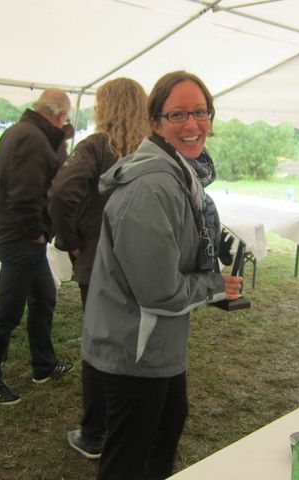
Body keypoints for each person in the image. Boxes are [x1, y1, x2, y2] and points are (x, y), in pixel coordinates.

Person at [81, 71, 243, 480]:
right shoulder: (150, 188)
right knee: (130, 457)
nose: (193, 124)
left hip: (155, 343)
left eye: (201, 112)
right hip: (134, 349)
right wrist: (213, 286)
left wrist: (212, 286)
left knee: (166, 428)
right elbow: (159, 291)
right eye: (178, 114)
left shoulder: (178, 173)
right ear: (155, 122)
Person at [48, 77, 151, 459]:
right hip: (144, 265)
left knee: (99, 346)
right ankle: (130, 424)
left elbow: (61, 193)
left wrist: (72, 241)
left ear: (105, 108)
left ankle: (94, 433)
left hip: (104, 266)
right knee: (136, 344)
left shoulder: (95, 146)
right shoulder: (154, 150)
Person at [0, 88, 74, 405]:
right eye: (66, 119)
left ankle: (44, 365)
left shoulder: (19, 131)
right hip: (21, 238)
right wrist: (36, 233)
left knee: (44, 297)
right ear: (59, 114)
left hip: (20, 235)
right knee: (7, 311)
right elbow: (25, 194)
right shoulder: (32, 138)